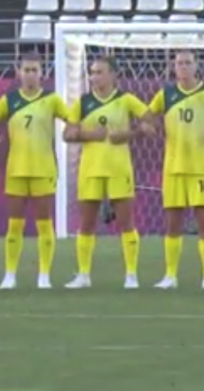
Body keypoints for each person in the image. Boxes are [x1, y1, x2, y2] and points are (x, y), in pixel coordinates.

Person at [143, 50, 204, 290]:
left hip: (201, 167)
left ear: (196, 66)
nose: (183, 67)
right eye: (179, 63)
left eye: (187, 63)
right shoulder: (166, 94)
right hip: (173, 167)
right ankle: (170, 275)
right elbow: (147, 116)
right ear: (174, 68)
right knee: (173, 222)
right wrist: (149, 125)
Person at [61, 57, 148, 289]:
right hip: (90, 170)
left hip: (119, 168)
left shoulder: (126, 100)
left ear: (113, 75)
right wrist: (90, 135)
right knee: (87, 223)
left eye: (99, 72)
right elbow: (67, 134)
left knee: (125, 221)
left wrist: (128, 135)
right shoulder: (83, 102)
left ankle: (131, 275)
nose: (94, 77)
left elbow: (151, 125)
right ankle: (83, 275)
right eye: (92, 72)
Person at [0, 53, 69, 289]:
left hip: (43, 168)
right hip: (16, 169)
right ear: (19, 72)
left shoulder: (52, 100)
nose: (30, 74)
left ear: (42, 73)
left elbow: (72, 118)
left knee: (44, 223)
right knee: (14, 224)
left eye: (35, 70)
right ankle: (10, 275)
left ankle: (44, 275)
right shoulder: (9, 100)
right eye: (26, 70)